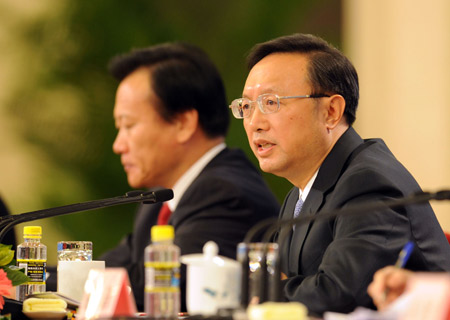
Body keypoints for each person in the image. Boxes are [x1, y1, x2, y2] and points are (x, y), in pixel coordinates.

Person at [230, 33, 450, 316]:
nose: (254, 123)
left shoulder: (369, 182)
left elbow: (338, 295)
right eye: (246, 107)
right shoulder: (300, 193)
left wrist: (263, 291)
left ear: (331, 111)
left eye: (271, 103)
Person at [100, 42, 280, 311]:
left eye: (128, 126)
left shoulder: (225, 193)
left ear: (183, 123)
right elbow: (114, 265)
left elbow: (163, 288)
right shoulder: (160, 197)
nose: (118, 145)